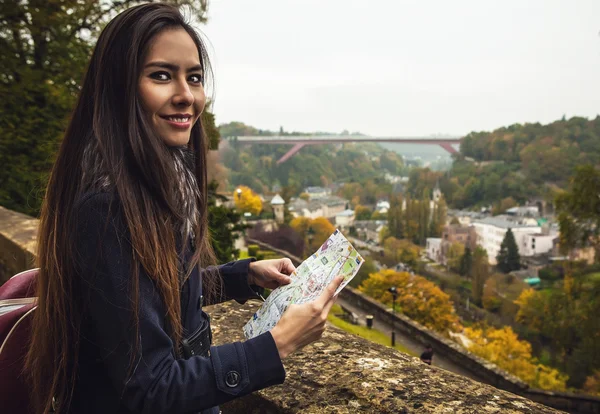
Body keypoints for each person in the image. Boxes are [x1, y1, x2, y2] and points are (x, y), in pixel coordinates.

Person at [24, 4, 343, 414]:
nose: (186, 95)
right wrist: (277, 346)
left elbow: (153, 293)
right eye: (161, 75)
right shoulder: (106, 210)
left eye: (194, 77)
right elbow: (151, 389)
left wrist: (241, 275)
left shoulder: (155, 189)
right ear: (118, 88)